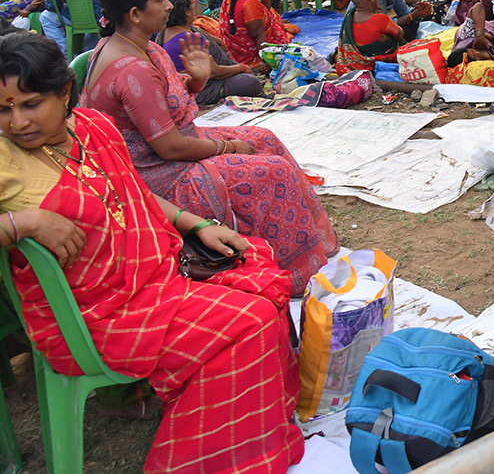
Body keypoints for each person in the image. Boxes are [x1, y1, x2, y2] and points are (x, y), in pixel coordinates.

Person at [0, 31, 304, 472]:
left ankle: (250, 424)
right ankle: (216, 458)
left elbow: (133, 195)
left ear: (63, 92)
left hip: (152, 275)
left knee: (256, 263)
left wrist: (197, 224)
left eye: (30, 104)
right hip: (92, 315)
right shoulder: (6, 159)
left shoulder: (92, 126)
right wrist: (21, 221)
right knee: (250, 322)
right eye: (3, 109)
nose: (16, 122)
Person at [80, 0, 337, 296]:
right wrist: (228, 149)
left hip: (174, 147)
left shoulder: (138, 45)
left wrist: (199, 80)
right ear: (135, 13)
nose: (170, 6)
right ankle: (296, 275)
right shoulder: (131, 68)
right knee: (272, 172)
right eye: (161, 0)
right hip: (159, 175)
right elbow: (170, 148)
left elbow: (165, 109)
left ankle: (308, 244)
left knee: (264, 138)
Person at [160, 0, 263, 103]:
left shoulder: (166, 32)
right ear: (187, 11)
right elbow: (214, 71)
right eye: (193, 6)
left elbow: (213, 40)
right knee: (249, 82)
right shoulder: (187, 38)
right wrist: (241, 68)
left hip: (199, 80)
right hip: (201, 88)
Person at [217, 0, 298, 72]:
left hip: (235, 52)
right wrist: (268, 61)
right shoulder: (250, 3)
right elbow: (259, 38)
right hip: (251, 57)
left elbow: (265, 11)